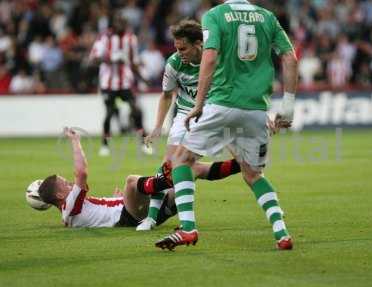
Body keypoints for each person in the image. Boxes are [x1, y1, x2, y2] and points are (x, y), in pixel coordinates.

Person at [155, 0, 298, 251]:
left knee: (180, 159)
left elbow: (209, 58)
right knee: (253, 174)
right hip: (256, 109)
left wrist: (198, 104)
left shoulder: (215, 15)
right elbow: (290, 57)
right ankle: (282, 233)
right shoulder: (268, 17)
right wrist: (287, 105)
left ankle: (188, 229)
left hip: (222, 104)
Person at [136, 19, 241, 231]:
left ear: (199, 44)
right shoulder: (174, 63)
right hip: (185, 115)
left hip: (214, 115)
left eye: (183, 48)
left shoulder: (217, 59)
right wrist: (158, 126)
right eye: (176, 47)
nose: (179, 52)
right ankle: (153, 218)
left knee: (247, 164)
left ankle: (273, 212)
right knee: (170, 165)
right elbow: (166, 96)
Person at [36, 128, 176, 228]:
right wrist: (75, 141)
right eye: (65, 184)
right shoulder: (69, 206)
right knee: (131, 181)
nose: (70, 183)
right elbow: (81, 172)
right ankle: (163, 182)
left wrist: (116, 199)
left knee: (186, 170)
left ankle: (167, 201)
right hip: (129, 216)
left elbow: (97, 213)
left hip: (130, 212)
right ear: (59, 194)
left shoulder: (69, 213)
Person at [89, 13, 150, 157]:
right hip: (107, 83)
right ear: (114, 24)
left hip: (125, 82)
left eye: (124, 24)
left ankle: (144, 144)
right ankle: (105, 145)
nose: (121, 27)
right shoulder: (103, 38)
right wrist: (110, 59)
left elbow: (134, 62)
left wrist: (143, 78)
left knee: (136, 110)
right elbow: (93, 60)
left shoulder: (131, 39)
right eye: (119, 23)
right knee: (109, 112)